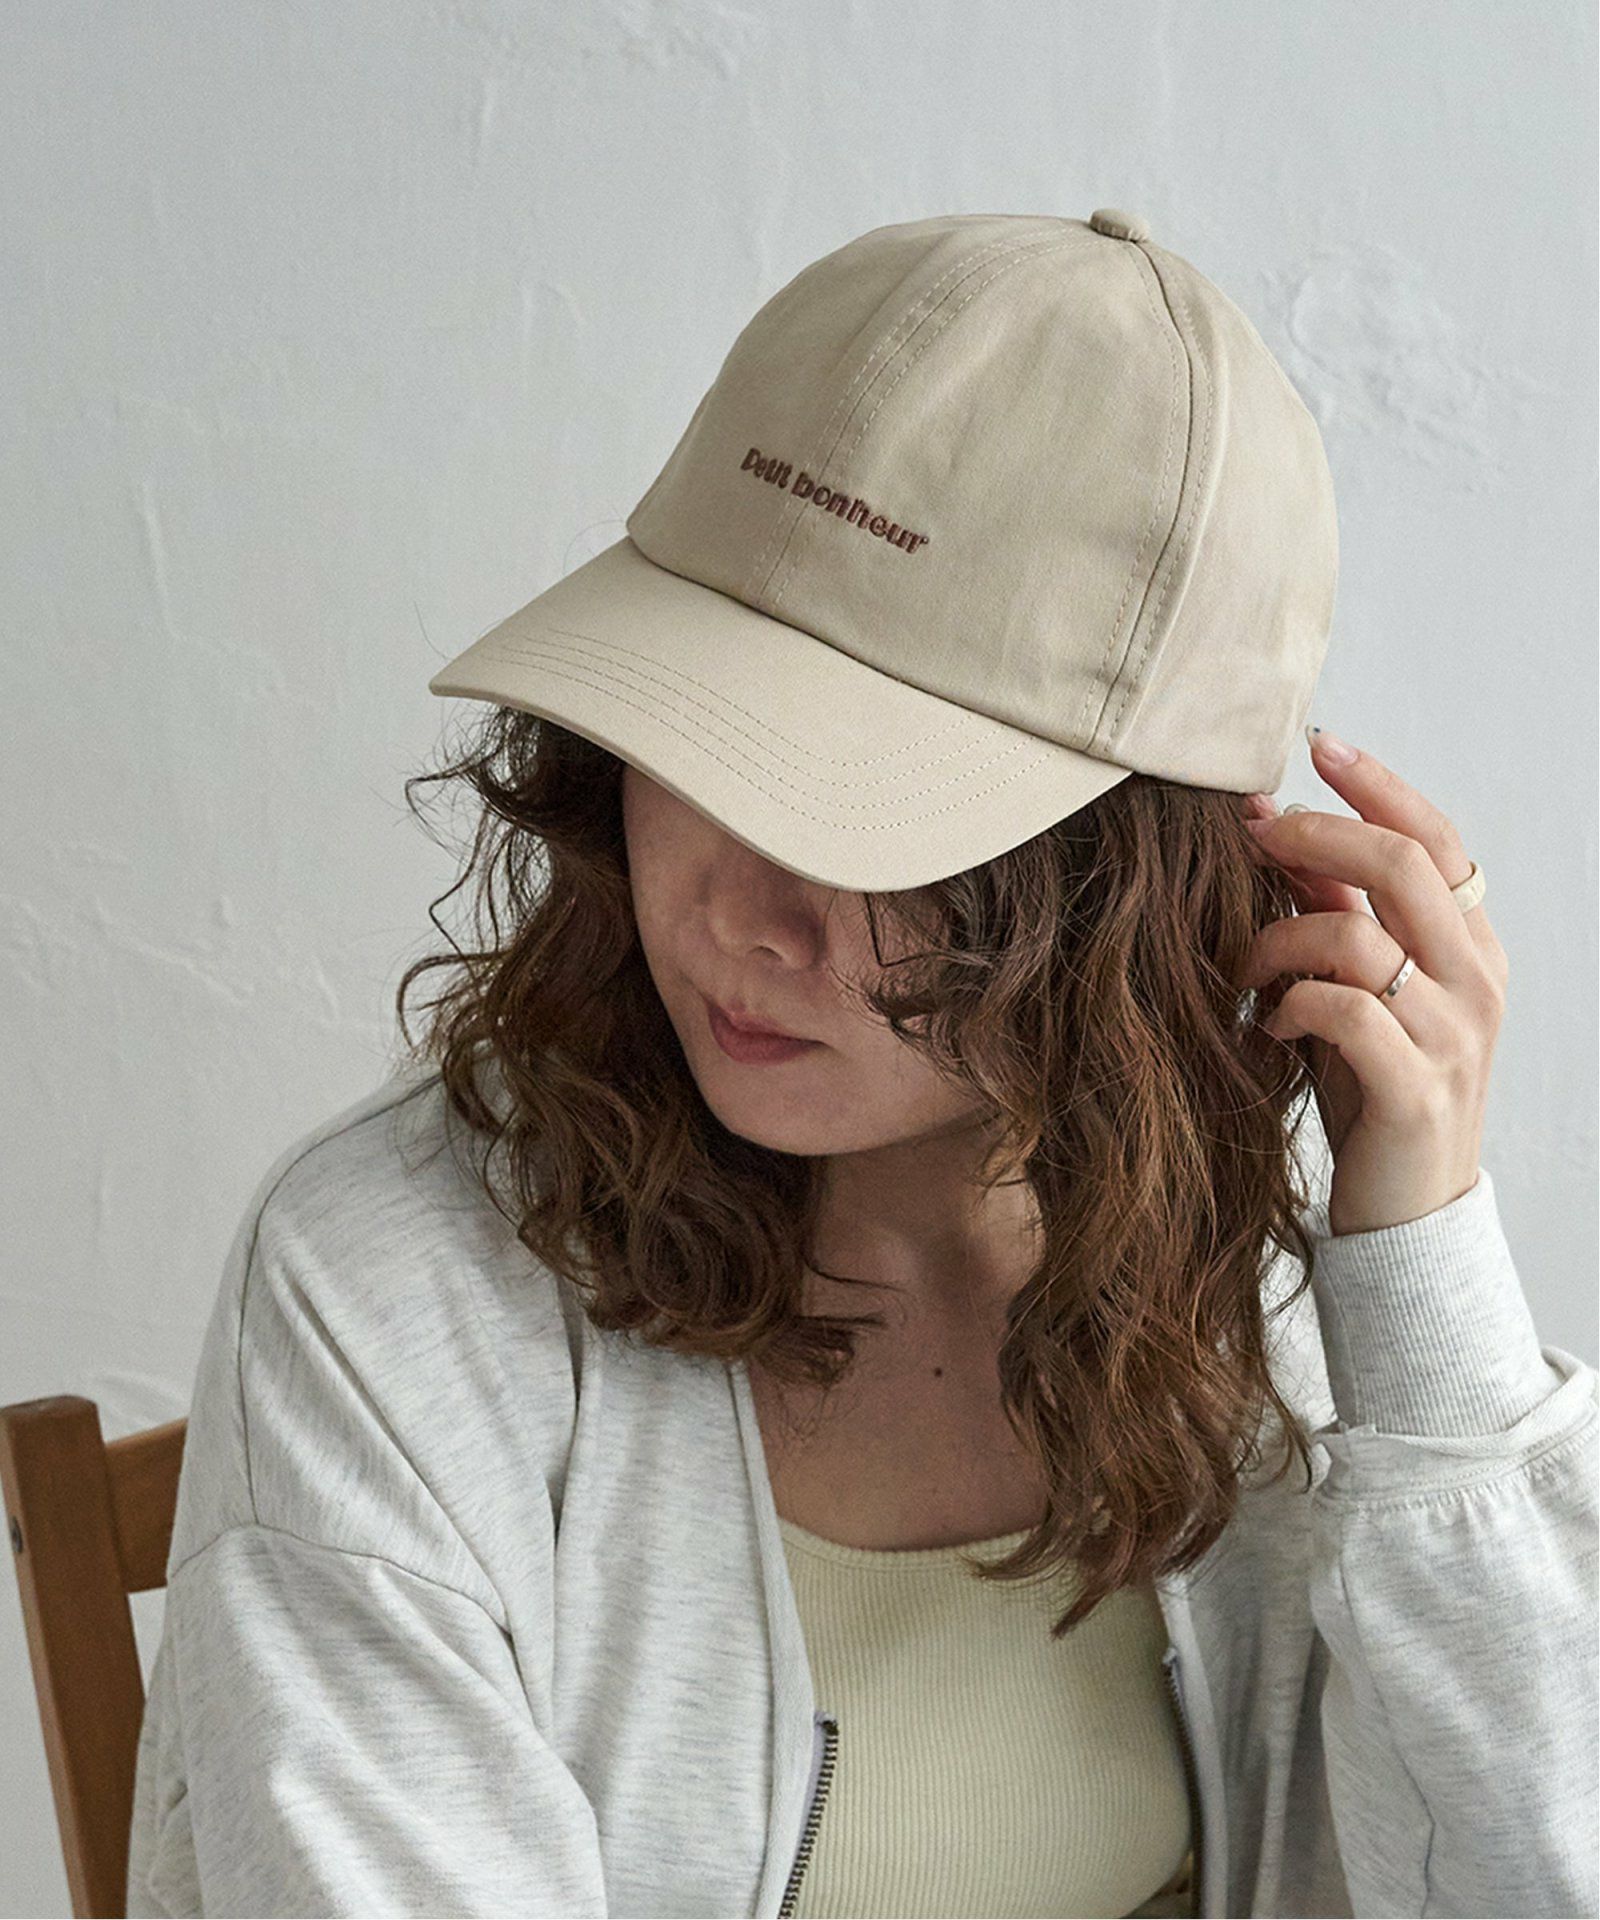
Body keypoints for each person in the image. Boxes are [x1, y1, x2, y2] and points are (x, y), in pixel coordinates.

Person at [126, 209, 1597, 1919]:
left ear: (1126, 884)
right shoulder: (392, 1291)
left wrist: (1427, 1280)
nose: (737, 918)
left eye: (872, 824)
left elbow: (1535, 1875)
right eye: (694, 743)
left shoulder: (1263, 1276)